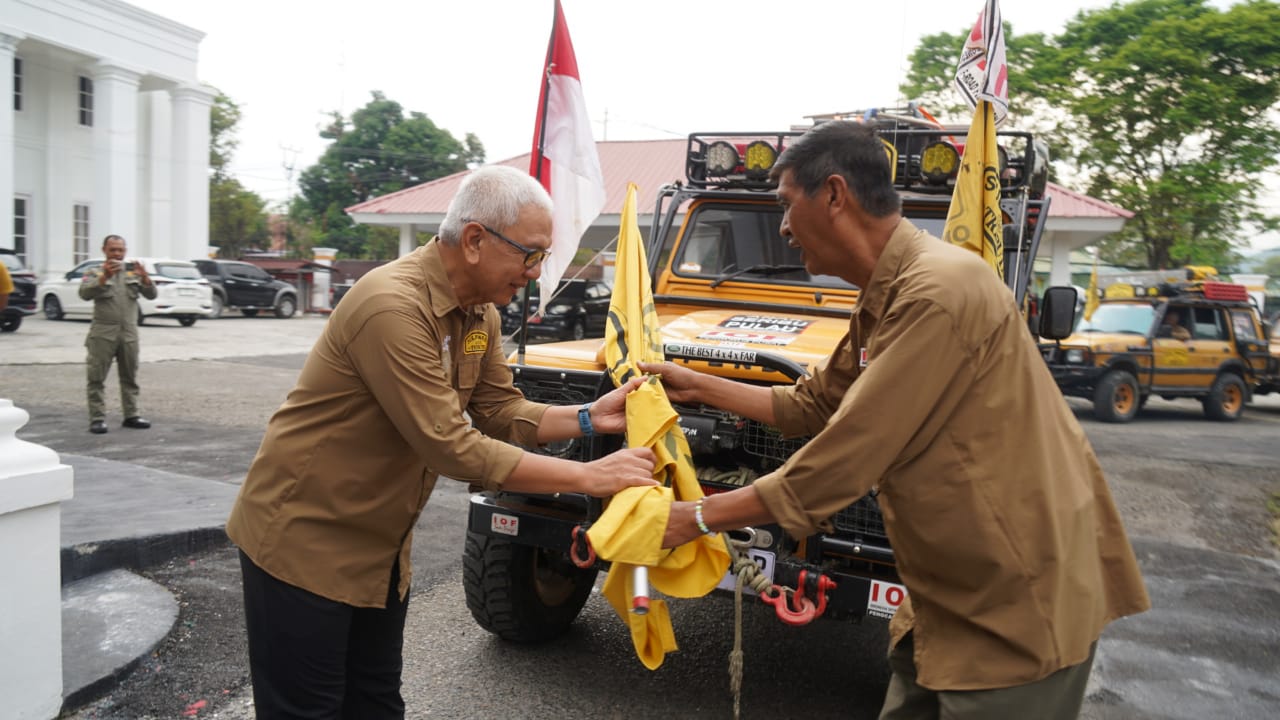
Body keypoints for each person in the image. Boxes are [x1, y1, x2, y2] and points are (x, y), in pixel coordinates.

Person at [642, 121, 1150, 720]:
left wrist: (697, 516)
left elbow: (842, 461)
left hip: (1016, 596)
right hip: (947, 594)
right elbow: (812, 406)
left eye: (784, 205)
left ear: (834, 195)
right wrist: (695, 383)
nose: (781, 228)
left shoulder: (936, 291)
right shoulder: (887, 290)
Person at [225, 165, 658, 719]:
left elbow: (500, 409)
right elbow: (451, 446)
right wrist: (589, 477)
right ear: (475, 240)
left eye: (543, 258)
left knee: (376, 704)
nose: (535, 272)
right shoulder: (391, 306)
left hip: (378, 548)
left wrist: (590, 419)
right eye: (531, 254)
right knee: (307, 712)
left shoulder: (479, 313)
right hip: (303, 542)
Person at [78, 235, 156, 434]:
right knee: (96, 376)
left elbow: (152, 294)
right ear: (104, 249)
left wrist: (145, 278)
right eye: (112, 249)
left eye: (120, 250)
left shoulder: (132, 272)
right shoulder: (94, 271)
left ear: (125, 251)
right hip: (103, 332)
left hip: (128, 332)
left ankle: (131, 415)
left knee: (130, 376)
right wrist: (104, 278)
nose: (117, 253)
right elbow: (84, 294)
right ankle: (97, 418)